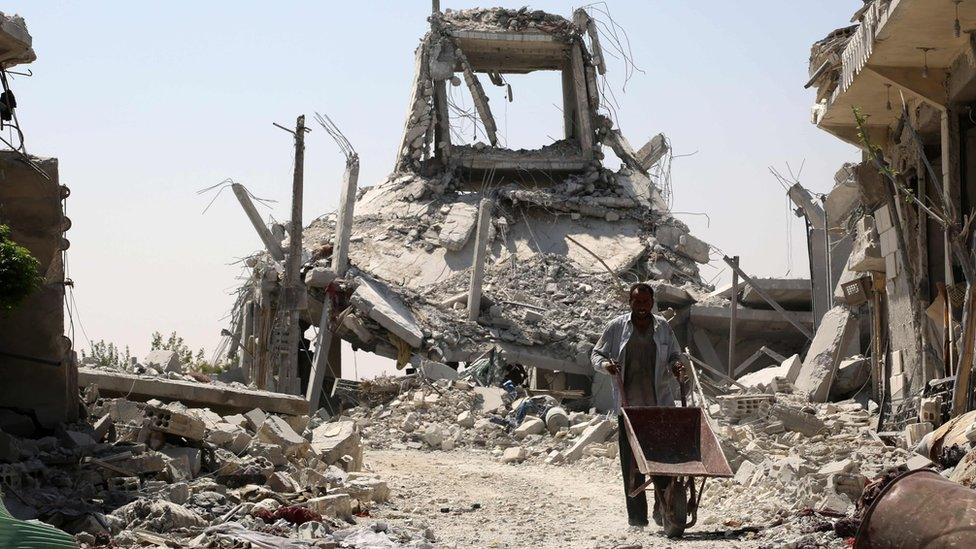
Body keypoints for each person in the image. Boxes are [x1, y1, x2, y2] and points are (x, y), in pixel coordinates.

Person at [590, 282, 688, 530]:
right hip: (629, 407)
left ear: (652, 303)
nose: (642, 307)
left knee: (662, 459)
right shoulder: (616, 327)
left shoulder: (663, 328)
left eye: (646, 302)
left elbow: (676, 355)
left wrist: (677, 366)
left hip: (658, 406)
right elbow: (596, 354)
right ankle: (636, 518)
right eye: (637, 302)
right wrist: (606, 367)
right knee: (632, 464)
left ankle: (664, 508)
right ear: (630, 302)